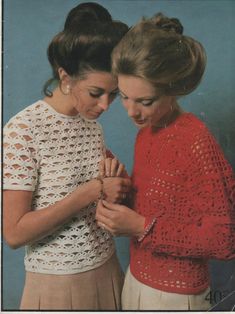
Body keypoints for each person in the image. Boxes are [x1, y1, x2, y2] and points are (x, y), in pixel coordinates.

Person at [96, 13, 235, 310]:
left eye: (145, 101)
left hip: (177, 296)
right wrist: (119, 193)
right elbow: (158, 207)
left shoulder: (195, 140)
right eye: (124, 96)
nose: (131, 111)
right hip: (134, 281)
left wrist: (140, 226)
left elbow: (224, 239)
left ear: (173, 89)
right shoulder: (146, 133)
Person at [3, 2, 130, 310]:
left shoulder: (91, 127)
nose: (105, 106)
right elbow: (14, 233)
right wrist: (92, 190)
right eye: (96, 92)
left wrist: (117, 188)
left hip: (108, 269)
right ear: (66, 76)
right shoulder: (23, 129)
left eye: (113, 94)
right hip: (56, 284)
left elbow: (99, 206)